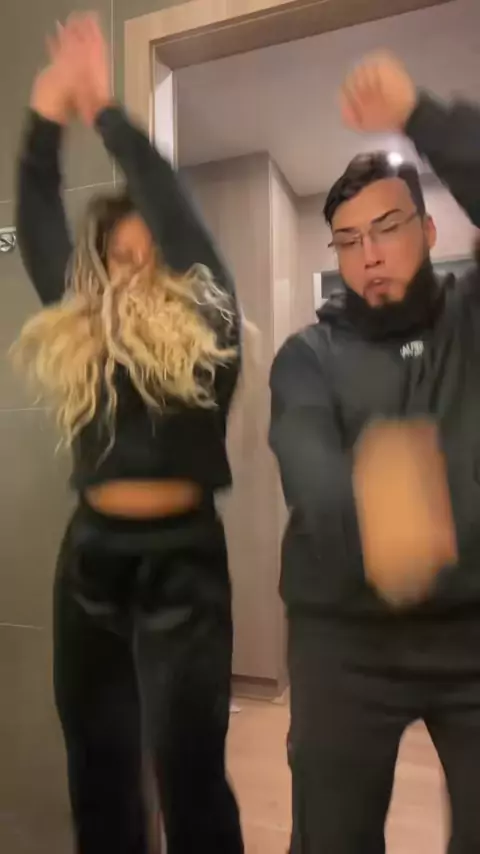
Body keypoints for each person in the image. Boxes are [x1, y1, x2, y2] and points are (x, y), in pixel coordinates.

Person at [13, 13, 243, 854]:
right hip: (91, 563)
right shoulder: (84, 331)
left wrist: (105, 112)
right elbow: (37, 216)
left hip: (184, 565)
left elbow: (175, 209)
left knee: (192, 779)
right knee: (100, 777)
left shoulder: (209, 325)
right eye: (120, 253)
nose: (137, 265)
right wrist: (44, 117)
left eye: (153, 252)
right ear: (100, 264)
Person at [269, 51, 480, 853]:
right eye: (349, 240)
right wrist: (380, 518)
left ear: (428, 230)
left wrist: (421, 114)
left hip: (473, 623)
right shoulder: (307, 356)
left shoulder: (470, 321)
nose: (370, 254)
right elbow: (310, 473)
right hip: (344, 634)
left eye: (387, 228)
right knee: (331, 836)